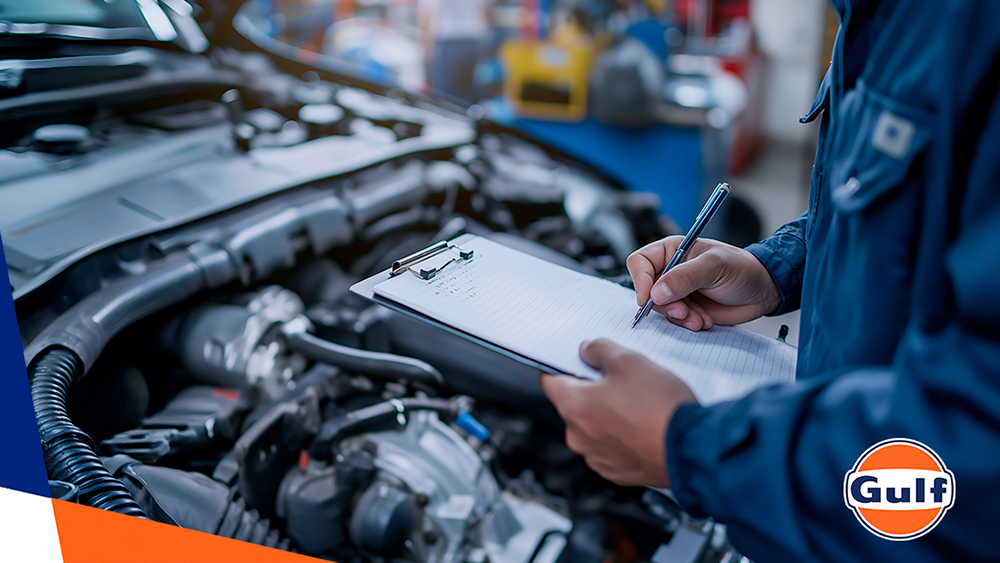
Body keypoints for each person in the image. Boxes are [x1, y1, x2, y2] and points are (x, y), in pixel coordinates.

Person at [541, 1, 1000, 561]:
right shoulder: (880, 19)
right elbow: (918, 215)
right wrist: (771, 269)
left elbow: (979, 451)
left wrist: (694, 449)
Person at [417, 0, 491, 102]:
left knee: (446, 98)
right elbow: (486, 13)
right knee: (472, 96)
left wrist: (425, 51)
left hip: (448, 43)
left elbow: (427, 15)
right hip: (473, 42)